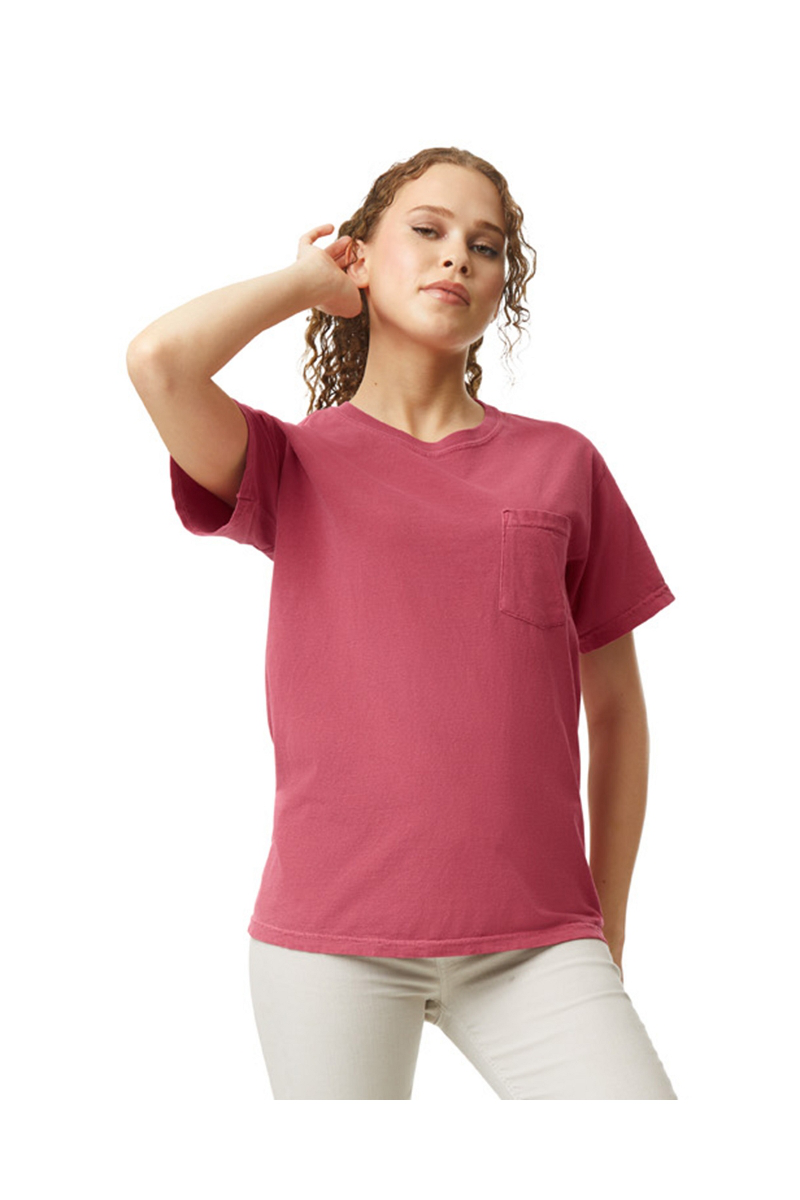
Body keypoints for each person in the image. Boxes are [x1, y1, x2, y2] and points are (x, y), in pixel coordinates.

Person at [126, 146, 679, 1100]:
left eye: (486, 245)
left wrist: (607, 922)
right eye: (426, 230)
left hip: (539, 942)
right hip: (330, 942)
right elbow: (158, 362)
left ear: (503, 283)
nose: (457, 256)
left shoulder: (562, 464)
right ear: (363, 255)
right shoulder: (293, 462)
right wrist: (305, 284)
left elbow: (619, 712)